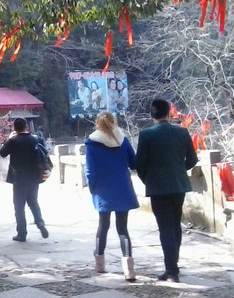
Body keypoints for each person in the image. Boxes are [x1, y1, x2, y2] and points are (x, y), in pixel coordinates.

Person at [136, 98, 198, 282]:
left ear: (152, 115)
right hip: (178, 186)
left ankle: (171, 270)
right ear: (169, 113)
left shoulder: (146, 134)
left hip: (158, 188)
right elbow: (192, 160)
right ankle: (174, 265)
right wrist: (178, 170)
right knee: (175, 225)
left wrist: (149, 179)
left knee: (165, 228)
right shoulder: (182, 132)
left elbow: (140, 165)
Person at [85, 111, 139, 281]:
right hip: (122, 187)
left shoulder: (91, 143)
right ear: (114, 122)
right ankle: (129, 270)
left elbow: (90, 171)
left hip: (103, 190)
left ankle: (100, 264)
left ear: (97, 123)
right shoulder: (122, 140)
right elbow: (134, 163)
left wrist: (92, 188)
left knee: (103, 226)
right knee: (123, 228)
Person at [0, 118, 49, 242]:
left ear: (14, 128)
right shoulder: (36, 139)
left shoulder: (13, 141)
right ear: (26, 126)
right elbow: (45, 154)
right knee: (33, 202)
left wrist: (8, 139)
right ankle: (40, 223)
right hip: (34, 177)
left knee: (19, 206)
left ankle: (22, 234)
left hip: (19, 178)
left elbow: (2, 153)